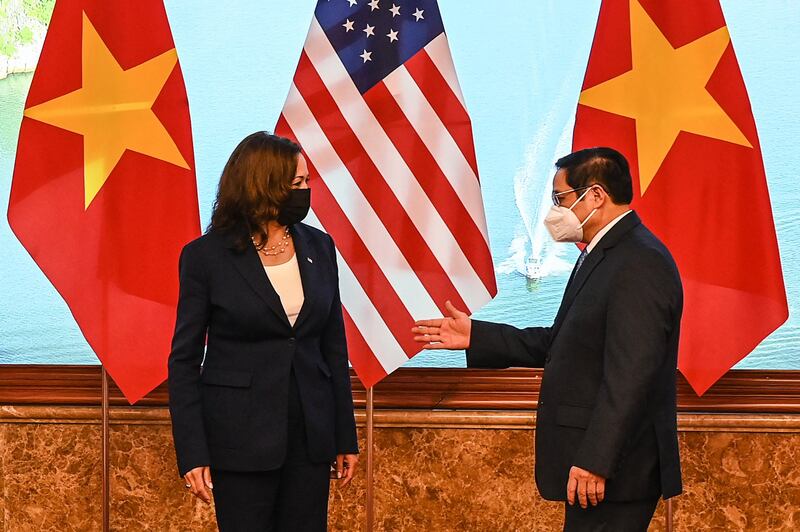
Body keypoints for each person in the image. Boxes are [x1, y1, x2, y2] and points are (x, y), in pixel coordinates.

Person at [413, 147, 682, 531]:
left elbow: (630, 376)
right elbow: (563, 342)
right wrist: (477, 335)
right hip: (600, 469)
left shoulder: (639, 261)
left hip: (616, 470)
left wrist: (596, 460)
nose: (554, 212)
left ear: (595, 196)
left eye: (560, 199)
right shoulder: (603, 254)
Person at [168, 132, 358, 531]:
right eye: (297, 184)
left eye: (307, 182)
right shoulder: (206, 257)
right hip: (238, 439)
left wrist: (344, 436)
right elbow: (184, 360)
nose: (306, 191)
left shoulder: (319, 246)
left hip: (309, 438)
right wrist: (192, 451)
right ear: (263, 185)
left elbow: (333, 348)